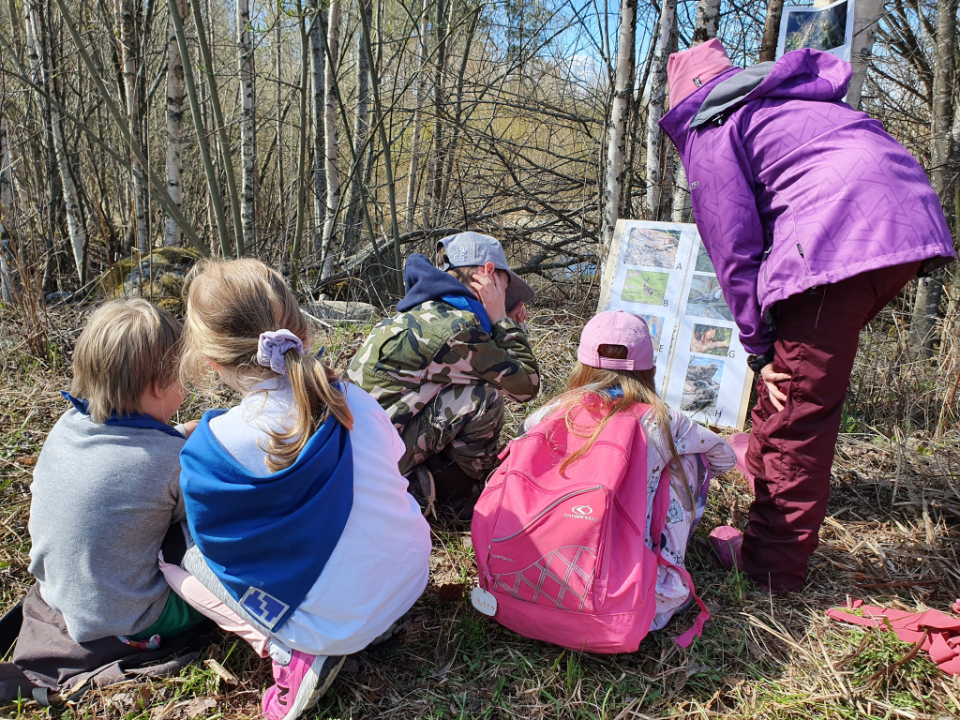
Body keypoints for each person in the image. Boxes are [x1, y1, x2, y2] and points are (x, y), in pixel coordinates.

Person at [659, 39, 956, 592]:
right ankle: (759, 477)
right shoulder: (781, 103)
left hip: (838, 235)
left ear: (684, 100)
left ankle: (771, 564)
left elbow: (734, 246)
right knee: (796, 372)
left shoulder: (713, 125)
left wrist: (756, 348)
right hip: (903, 227)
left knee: (798, 403)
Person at [170, 259, 431, 720]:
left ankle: (290, 650)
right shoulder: (356, 399)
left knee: (185, 554)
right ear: (300, 330)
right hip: (408, 579)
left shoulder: (214, 448)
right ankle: (374, 621)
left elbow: (221, 545)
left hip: (332, 625)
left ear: (211, 362)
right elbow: (392, 464)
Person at [13, 299, 205, 693]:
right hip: (135, 617)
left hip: (59, 595)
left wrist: (186, 433)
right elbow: (207, 506)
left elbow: (130, 457)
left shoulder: (66, 427)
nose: (186, 389)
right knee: (203, 541)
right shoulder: (169, 463)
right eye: (182, 378)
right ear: (158, 385)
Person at [519, 311, 736, 626]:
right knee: (689, 459)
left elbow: (522, 437)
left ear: (582, 367)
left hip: (534, 577)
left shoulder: (551, 413)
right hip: (619, 594)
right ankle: (664, 586)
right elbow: (723, 456)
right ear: (650, 370)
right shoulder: (662, 420)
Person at [347, 231, 540, 517]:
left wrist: (503, 321)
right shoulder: (457, 328)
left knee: (465, 392)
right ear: (488, 273)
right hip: (370, 464)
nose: (505, 297)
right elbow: (525, 386)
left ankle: (427, 478)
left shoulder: (428, 311)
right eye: (504, 286)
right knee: (483, 399)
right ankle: (457, 501)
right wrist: (501, 320)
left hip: (353, 452)